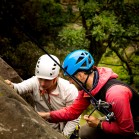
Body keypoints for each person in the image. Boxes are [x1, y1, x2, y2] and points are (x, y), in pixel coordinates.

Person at [37, 49, 139, 139]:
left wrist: (99, 124)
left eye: (70, 78)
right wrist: (46, 115)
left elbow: (127, 130)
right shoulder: (88, 89)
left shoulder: (115, 94)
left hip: (133, 126)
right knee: (85, 132)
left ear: (80, 75)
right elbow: (72, 112)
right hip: (117, 119)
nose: (69, 82)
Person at [5, 54, 80, 138]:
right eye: (40, 78)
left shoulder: (69, 90)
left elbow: (74, 117)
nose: (42, 83)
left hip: (66, 130)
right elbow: (20, 88)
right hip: (43, 128)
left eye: (47, 80)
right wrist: (12, 86)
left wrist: (63, 136)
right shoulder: (35, 81)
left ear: (56, 77)